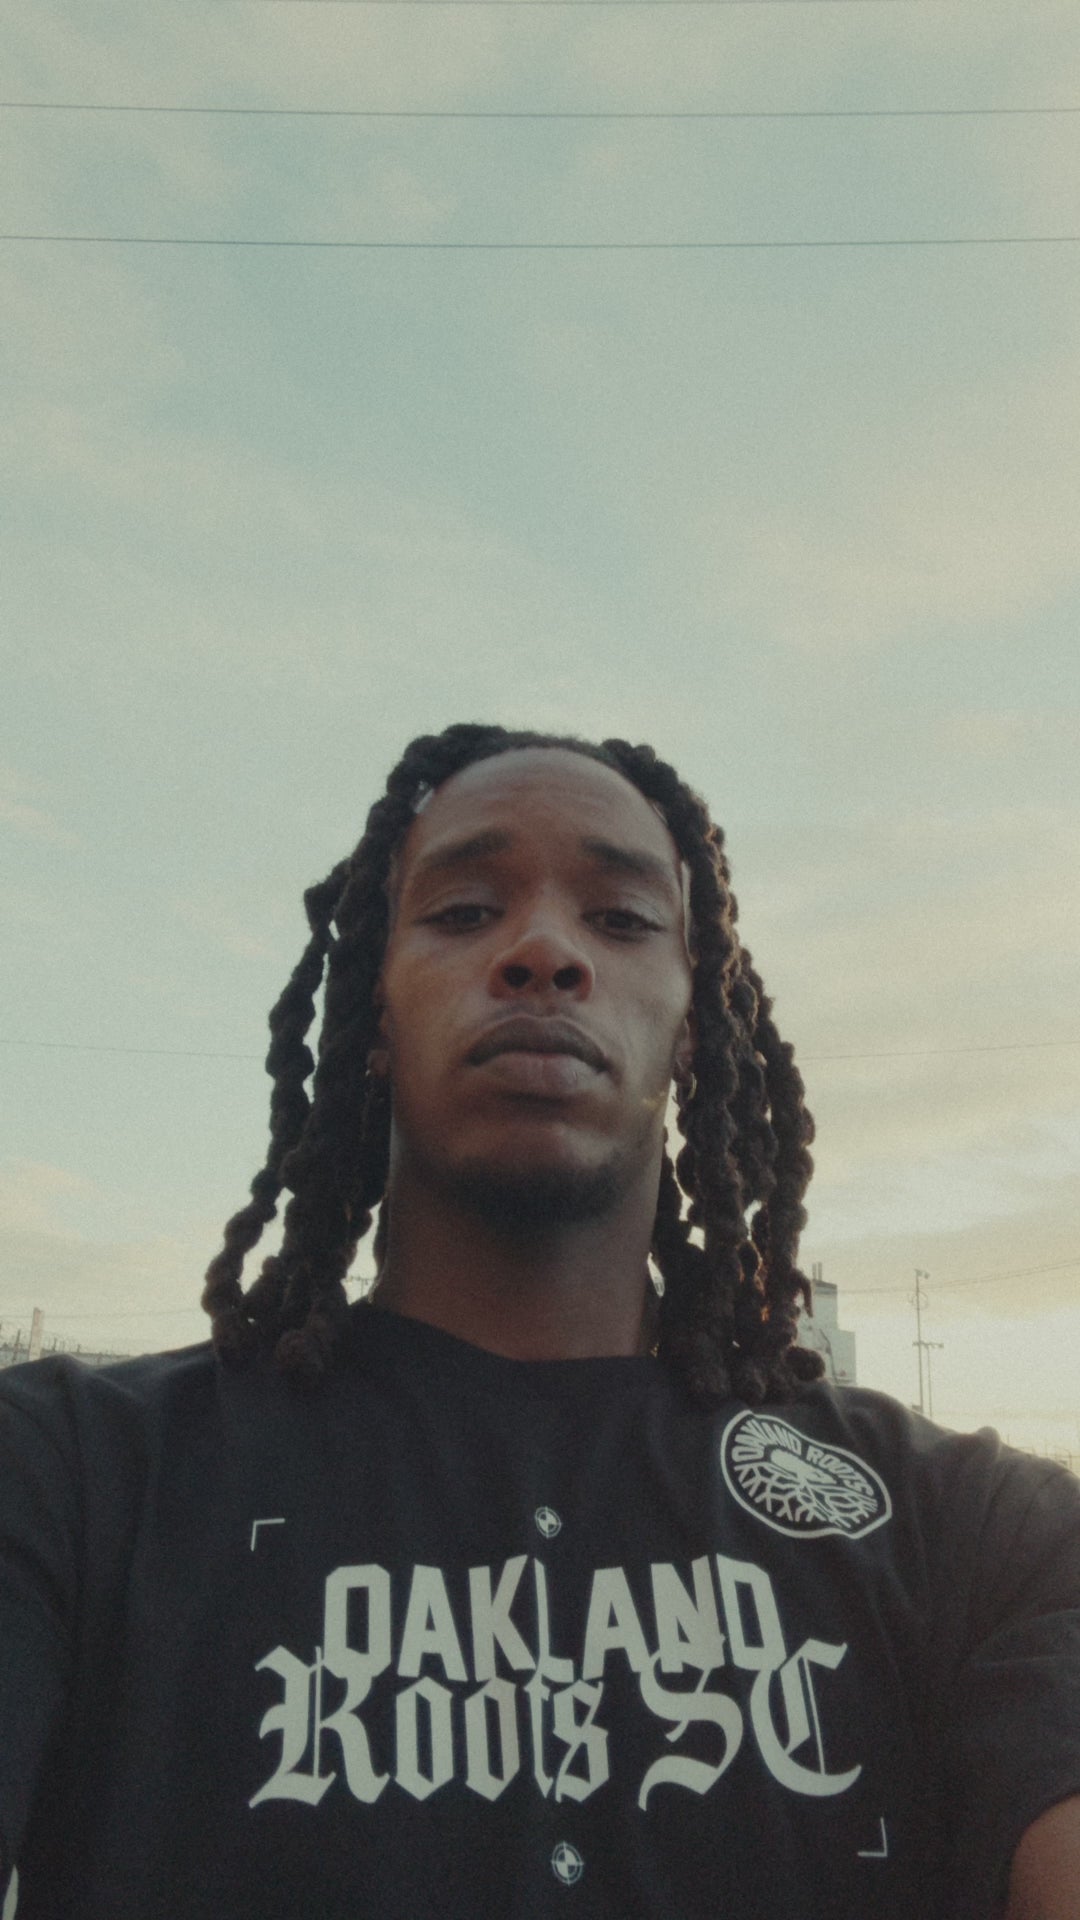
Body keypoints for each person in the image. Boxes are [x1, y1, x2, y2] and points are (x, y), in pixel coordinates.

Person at [1, 722, 1078, 1920]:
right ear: (371, 1018)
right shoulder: (74, 1474)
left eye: (620, 921)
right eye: (464, 911)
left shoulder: (973, 1530)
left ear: (692, 1020)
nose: (545, 951)